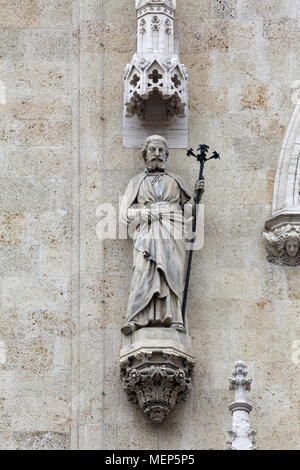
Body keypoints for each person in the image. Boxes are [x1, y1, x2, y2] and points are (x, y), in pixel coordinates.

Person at [120, 135, 204, 335]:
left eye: (161, 151)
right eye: (152, 150)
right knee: (143, 272)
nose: (157, 154)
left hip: (172, 231)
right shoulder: (136, 182)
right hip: (147, 231)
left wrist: (197, 198)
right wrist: (143, 213)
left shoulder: (175, 180)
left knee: (172, 273)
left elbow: (189, 211)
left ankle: (174, 318)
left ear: (166, 154)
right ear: (145, 154)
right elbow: (124, 213)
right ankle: (137, 317)